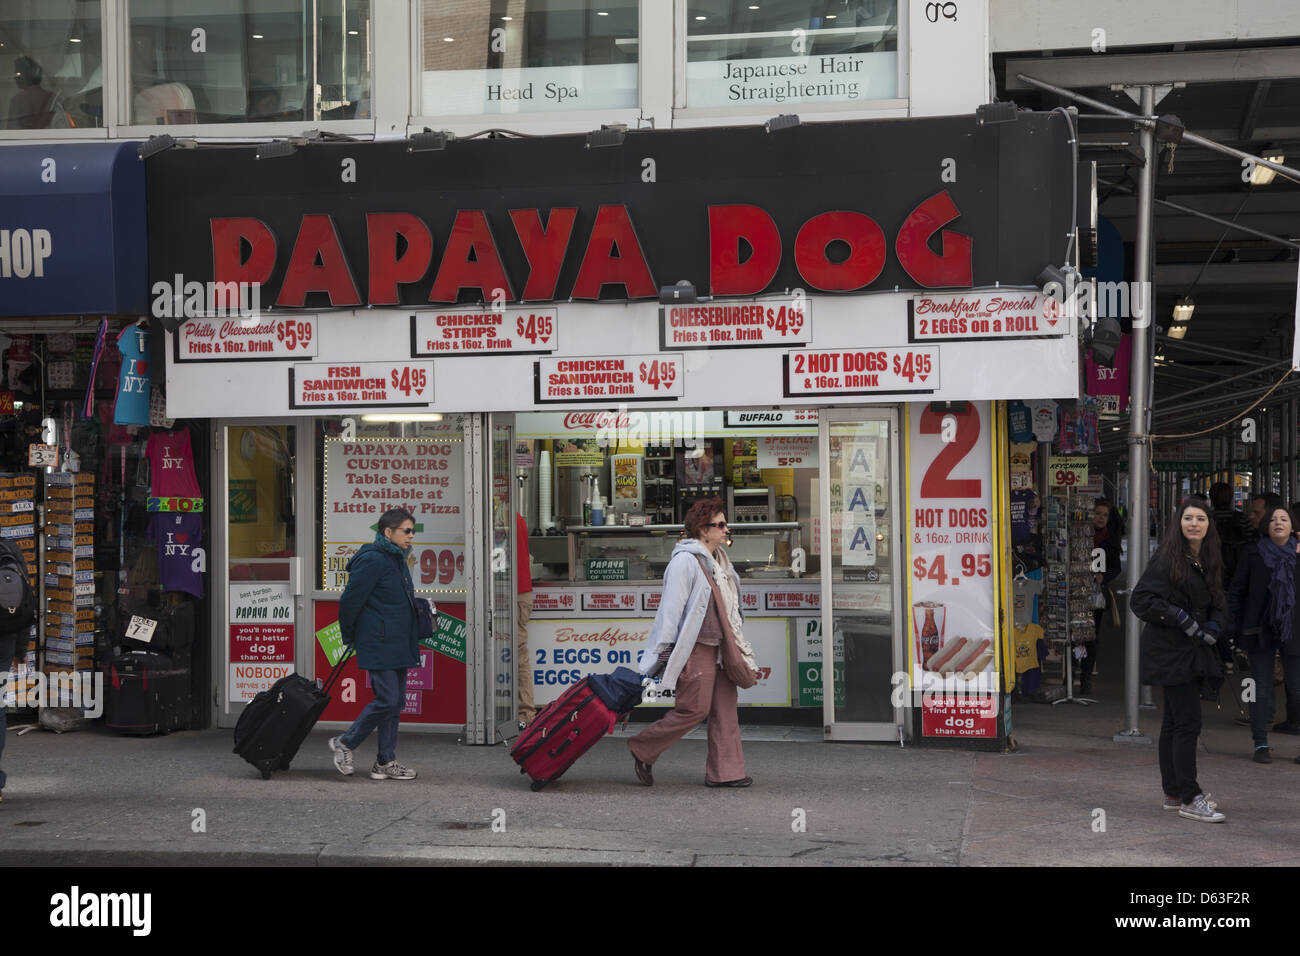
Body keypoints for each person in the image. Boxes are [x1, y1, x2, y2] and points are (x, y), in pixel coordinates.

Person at [629, 498, 755, 788]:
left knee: (725, 709)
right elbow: (671, 611)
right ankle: (642, 747)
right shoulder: (685, 561)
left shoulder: (719, 560)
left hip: (723, 646)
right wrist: (666, 651)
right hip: (696, 647)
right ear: (702, 529)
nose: (726, 529)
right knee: (694, 708)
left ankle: (727, 773)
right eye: (720, 525)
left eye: (725, 524)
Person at [1131, 496, 1229, 822]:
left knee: (1174, 723)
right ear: (1179, 523)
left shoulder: (1209, 557)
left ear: (1208, 524)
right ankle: (1190, 796)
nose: (1194, 524)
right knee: (1188, 723)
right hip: (1170, 651)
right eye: (1188, 518)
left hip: (1192, 650)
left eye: (1200, 518)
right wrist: (1181, 618)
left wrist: (1215, 624)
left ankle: (1174, 793)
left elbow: (1217, 597)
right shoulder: (1167, 559)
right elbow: (1141, 600)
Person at [328, 508, 420, 780]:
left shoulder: (398, 558)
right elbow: (350, 602)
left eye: (412, 531)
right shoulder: (372, 560)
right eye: (406, 530)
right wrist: (350, 636)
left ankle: (385, 761)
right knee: (388, 699)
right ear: (387, 532)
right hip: (378, 641)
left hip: (399, 640)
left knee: (396, 703)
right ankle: (345, 742)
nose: (411, 536)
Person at [1228, 505, 1300, 764]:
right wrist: (1233, 627)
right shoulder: (1252, 553)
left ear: (1293, 526)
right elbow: (1237, 590)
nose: (1278, 523)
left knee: (1296, 687)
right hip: (1259, 628)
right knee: (1259, 687)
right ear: (1266, 526)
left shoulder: (1298, 553)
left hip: (1294, 628)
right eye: (1273, 519)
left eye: (1284, 519)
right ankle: (1260, 743)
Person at [1083, 498, 1122, 696]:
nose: (1100, 518)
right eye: (1097, 513)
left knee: (1092, 636)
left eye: (1105, 515)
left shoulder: (1110, 541)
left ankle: (1085, 677)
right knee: (1076, 637)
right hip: (1077, 590)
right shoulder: (1081, 534)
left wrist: (1104, 576)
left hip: (1097, 595)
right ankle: (1073, 669)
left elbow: (1117, 568)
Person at [516, 512, 535, 728]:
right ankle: (525, 711)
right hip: (520, 592)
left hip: (514, 593)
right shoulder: (519, 518)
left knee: (519, 654)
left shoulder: (501, 518)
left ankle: (526, 712)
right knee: (519, 654)